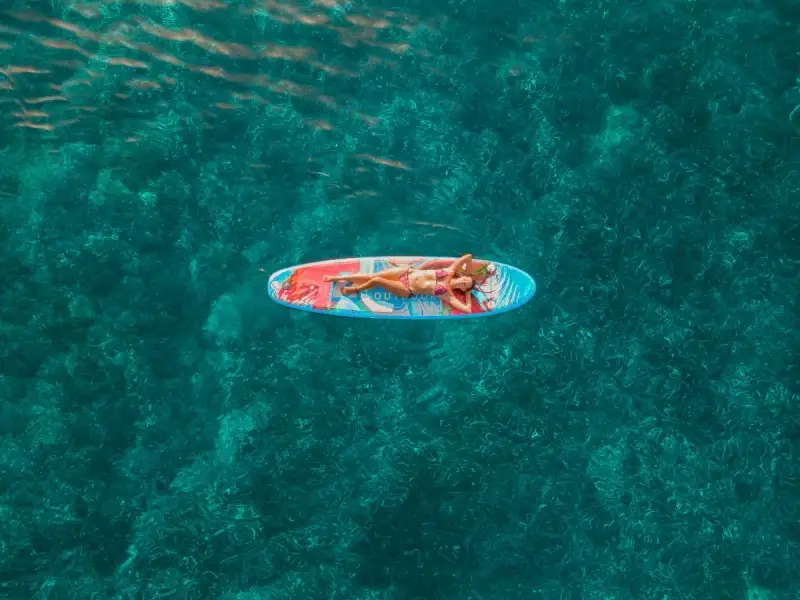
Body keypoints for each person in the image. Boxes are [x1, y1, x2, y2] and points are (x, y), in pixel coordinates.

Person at [323, 254, 475, 312]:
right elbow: (468, 256)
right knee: (372, 275)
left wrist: (468, 294)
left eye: (464, 283)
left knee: (376, 280)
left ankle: (355, 289)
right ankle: (336, 279)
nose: (462, 280)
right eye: (464, 278)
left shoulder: (447, 294)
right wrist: (467, 271)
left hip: (406, 288)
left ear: (463, 288)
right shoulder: (450, 270)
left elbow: (467, 309)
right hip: (406, 272)